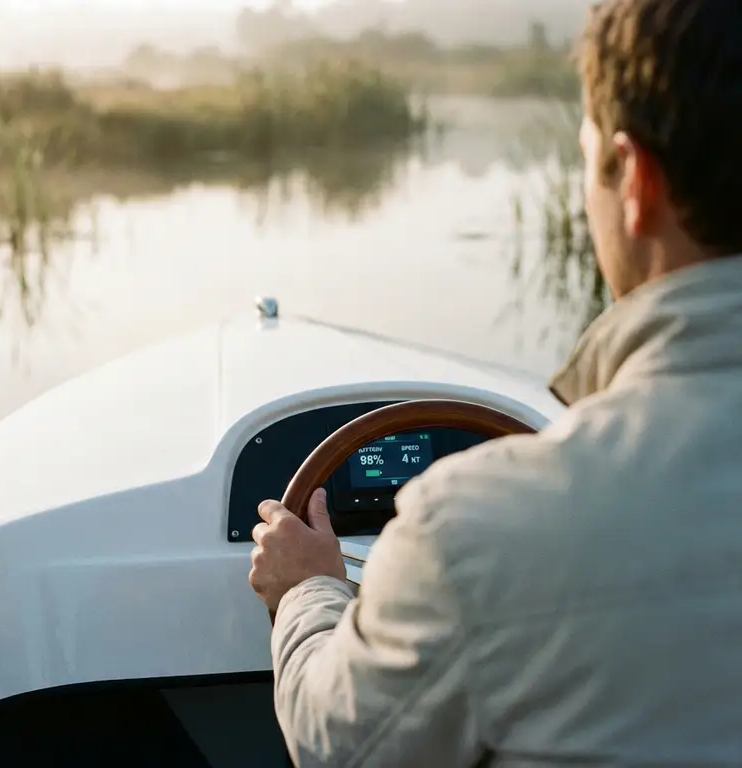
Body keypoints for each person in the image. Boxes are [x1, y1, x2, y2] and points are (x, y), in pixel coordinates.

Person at [247, 0, 742, 765]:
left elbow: (336, 745)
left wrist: (308, 590)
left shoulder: (475, 530)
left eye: (587, 163)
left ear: (636, 181)